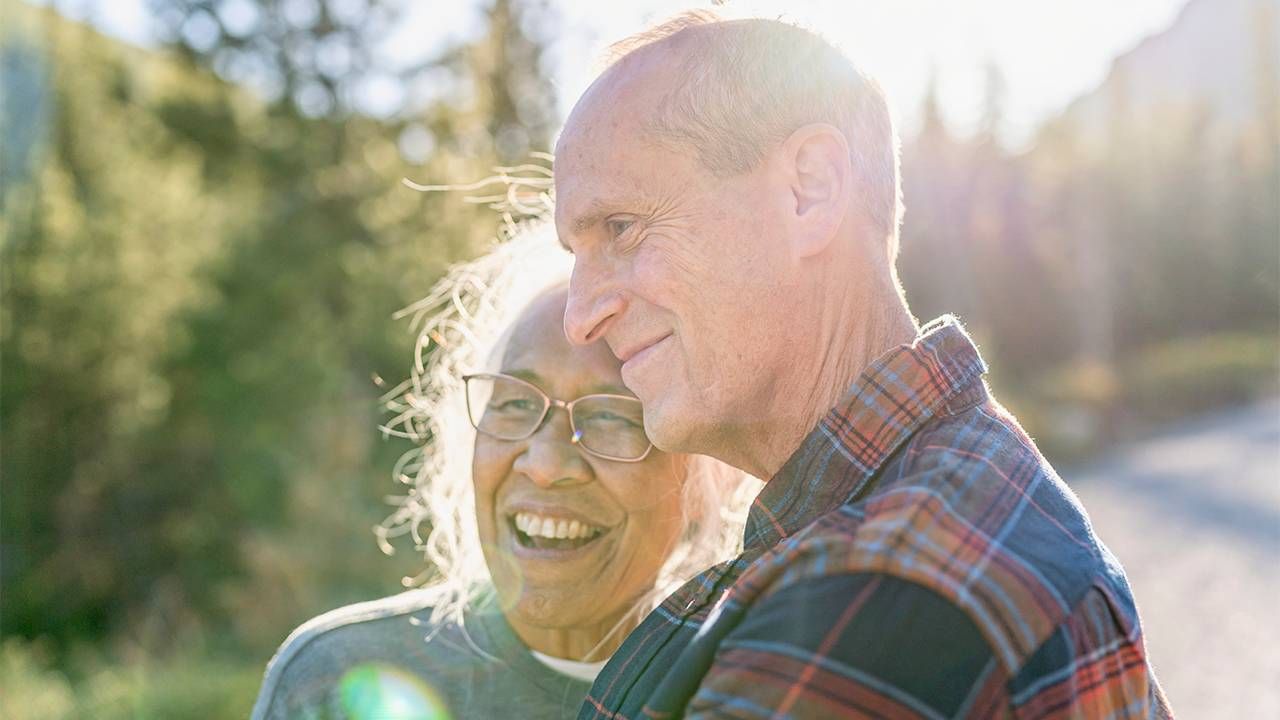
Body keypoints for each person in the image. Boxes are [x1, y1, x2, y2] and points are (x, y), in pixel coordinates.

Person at [555, 11, 1172, 719]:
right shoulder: (946, 494)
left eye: (620, 228)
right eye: (575, 255)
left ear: (808, 190)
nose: (580, 319)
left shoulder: (879, 590)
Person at [250, 225, 755, 720]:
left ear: (705, 473)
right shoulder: (332, 678)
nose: (545, 464)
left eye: (609, 416)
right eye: (514, 403)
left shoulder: (757, 686)